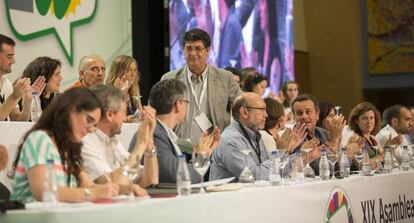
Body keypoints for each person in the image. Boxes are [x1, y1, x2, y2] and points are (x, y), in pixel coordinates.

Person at [10, 88, 118, 203]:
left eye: (95, 125)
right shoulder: (39, 139)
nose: (91, 129)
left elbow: (90, 185)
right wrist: (92, 193)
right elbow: (44, 193)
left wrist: (125, 189)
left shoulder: (68, 147)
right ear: (71, 110)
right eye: (89, 120)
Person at [129, 79, 220, 183]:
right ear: (179, 104)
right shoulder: (154, 134)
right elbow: (178, 176)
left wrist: (198, 153)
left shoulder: (160, 131)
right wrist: (201, 157)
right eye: (187, 103)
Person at [162, 28, 242, 144]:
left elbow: (242, 106)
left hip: (215, 149)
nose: (193, 53)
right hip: (178, 148)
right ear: (183, 50)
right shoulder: (169, 79)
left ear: (207, 50)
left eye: (198, 49)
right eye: (188, 49)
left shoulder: (225, 78)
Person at [82, 85, 158, 196]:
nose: (125, 118)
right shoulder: (86, 141)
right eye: (124, 112)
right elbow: (111, 186)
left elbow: (149, 179)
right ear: (110, 114)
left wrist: (149, 142)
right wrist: (139, 146)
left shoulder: (112, 140)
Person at [210, 92, 274, 181]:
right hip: (228, 194)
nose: (266, 115)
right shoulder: (230, 140)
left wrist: (291, 152)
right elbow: (255, 177)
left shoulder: (255, 135)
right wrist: (282, 155)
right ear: (244, 112)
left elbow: (273, 172)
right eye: (261, 109)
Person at [291, 94, 345, 175]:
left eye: (308, 112)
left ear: (317, 114)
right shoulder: (294, 139)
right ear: (294, 117)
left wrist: (338, 142)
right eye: (299, 113)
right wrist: (334, 141)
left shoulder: (324, 133)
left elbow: (343, 166)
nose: (304, 116)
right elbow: (321, 170)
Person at [0, 34, 43, 121]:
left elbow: (18, 120)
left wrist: (28, 100)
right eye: (9, 56)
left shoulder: (6, 83)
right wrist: (14, 97)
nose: (13, 61)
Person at [347, 102, 384, 171]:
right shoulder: (355, 139)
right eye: (365, 118)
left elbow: (383, 162)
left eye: (371, 118)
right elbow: (365, 166)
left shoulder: (373, 138)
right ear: (357, 121)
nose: (369, 121)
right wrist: (383, 155)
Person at [106, 55, 144, 121]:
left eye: (134, 70)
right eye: (128, 70)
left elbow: (141, 114)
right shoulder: (109, 91)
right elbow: (112, 118)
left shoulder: (135, 87)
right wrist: (121, 93)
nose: (133, 74)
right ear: (118, 72)